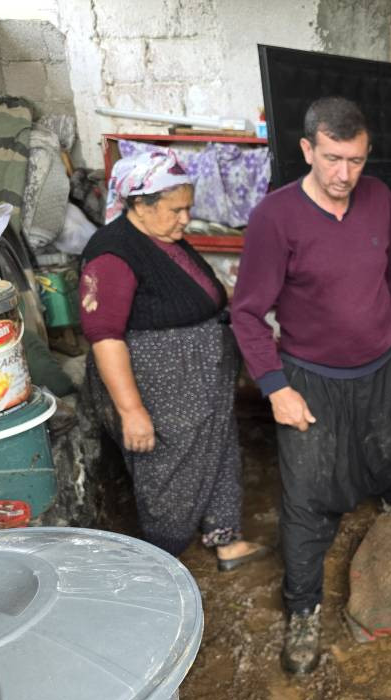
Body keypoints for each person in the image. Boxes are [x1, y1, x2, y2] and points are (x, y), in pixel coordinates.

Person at [231, 96, 391, 675]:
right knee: (307, 495)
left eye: (357, 160)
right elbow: (247, 314)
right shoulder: (275, 217)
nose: (345, 174)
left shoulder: (379, 198)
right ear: (307, 150)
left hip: (383, 365)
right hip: (311, 379)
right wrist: (276, 387)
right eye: (333, 159)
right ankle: (303, 610)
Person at [80, 150, 268, 570]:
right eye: (176, 210)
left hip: (202, 383)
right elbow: (105, 337)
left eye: (188, 208)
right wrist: (132, 412)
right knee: (169, 474)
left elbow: (196, 295)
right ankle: (162, 564)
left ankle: (226, 539)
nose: (186, 219)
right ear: (139, 204)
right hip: (163, 392)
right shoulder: (112, 254)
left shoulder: (164, 238)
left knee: (218, 451)